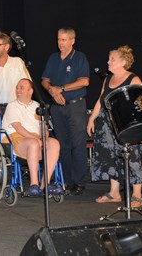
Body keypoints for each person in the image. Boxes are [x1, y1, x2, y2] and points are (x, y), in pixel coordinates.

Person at [87, 46, 142, 208]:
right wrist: (92, 119)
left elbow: (141, 105)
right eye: (108, 58)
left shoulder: (134, 80)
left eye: (112, 59)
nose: (108, 62)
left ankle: (137, 195)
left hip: (126, 124)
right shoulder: (108, 79)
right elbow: (101, 99)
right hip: (107, 124)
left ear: (123, 62)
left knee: (132, 157)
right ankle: (114, 193)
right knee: (110, 156)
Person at [41, 27, 90, 196]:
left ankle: (79, 182)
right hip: (57, 107)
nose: (60, 43)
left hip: (75, 106)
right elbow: (45, 80)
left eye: (64, 40)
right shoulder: (53, 58)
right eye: (58, 39)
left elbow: (84, 81)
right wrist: (52, 91)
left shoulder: (79, 57)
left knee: (78, 144)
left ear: (72, 41)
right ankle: (66, 180)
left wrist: (60, 88)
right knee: (62, 145)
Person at [2, 79, 63, 196]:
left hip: (36, 138)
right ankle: (33, 184)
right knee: (34, 143)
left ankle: (45, 184)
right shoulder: (12, 106)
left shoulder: (37, 106)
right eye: (17, 87)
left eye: (21, 87)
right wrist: (37, 139)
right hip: (17, 138)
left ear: (30, 91)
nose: (18, 90)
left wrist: (44, 133)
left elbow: (44, 127)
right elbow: (18, 128)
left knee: (54, 143)